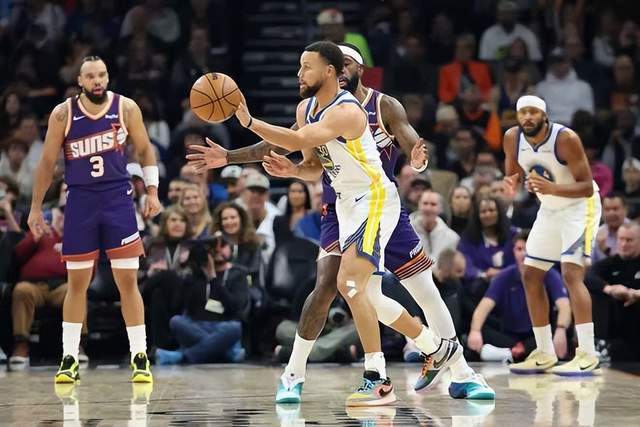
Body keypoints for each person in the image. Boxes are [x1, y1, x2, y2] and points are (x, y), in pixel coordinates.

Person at [188, 42, 493, 404]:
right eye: (300, 67)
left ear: (336, 70)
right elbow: (312, 163)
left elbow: (297, 139)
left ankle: (380, 377)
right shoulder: (307, 108)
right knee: (362, 293)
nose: (299, 74)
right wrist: (291, 171)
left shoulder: (354, 110)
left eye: (307, 67)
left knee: (362, 285)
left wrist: (249, 122)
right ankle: (435, 347)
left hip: (375, 199)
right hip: (344, 204)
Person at [27, 56, 162, 383]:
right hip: (81, 203)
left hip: (118, 201)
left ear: (107, 77)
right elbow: (47, 163)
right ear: (80, 81)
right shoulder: (63, 114)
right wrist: (35, 208)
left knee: (127, 281)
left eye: (102, 74)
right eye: (90, 76)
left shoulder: (126, 107)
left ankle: (139, 356)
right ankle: (69, 357)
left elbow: (145, 150)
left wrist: (153, 191)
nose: (97, 80)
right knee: (77, 284)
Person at [503, 95, 601, 375]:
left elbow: (586, 186)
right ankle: (544, 352)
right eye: (523, 112)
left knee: (571, 274)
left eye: (533, 112)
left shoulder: (565, 139)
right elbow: (512, 173)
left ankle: (587, 353)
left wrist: (551, 188)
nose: (528, 117)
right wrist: (511, 184)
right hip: (550, 209)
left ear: (544, 116)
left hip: (580, 208)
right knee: (531, 274)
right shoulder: (512, 138)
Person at [467, 230, 571, 364]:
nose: (524, 254)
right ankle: (518, 352)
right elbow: (483, 307)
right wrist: (475, 331)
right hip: (509, 336)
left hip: (537, 335)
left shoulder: (550, 274)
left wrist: (561, 330)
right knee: (480, 330)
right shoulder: (504, 276)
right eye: (519, 249)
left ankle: (511, 353)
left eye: (528, 249)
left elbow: (564, 306)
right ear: (514, 251)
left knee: (561, 330)